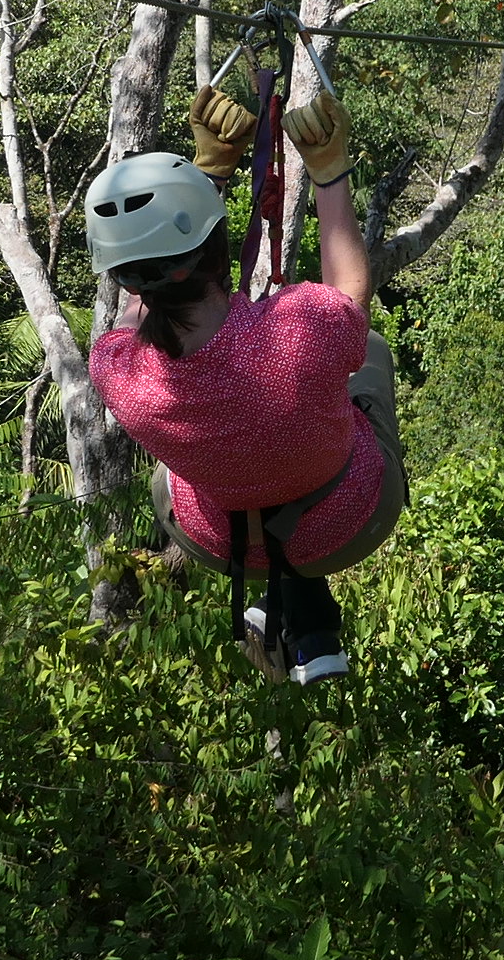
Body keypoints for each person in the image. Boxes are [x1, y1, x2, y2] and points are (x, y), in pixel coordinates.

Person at [80, 84, 402, 684]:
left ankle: (292, 610)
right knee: (369, 354)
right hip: (349, 522)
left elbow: (138, 299)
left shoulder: (116, 368)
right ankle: (304, 611)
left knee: (180, 470)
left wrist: (208, 175)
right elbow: (349, 297)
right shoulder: (299, 328)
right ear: (219, 245)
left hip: (221, 542)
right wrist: (329, 173)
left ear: (122, 274)